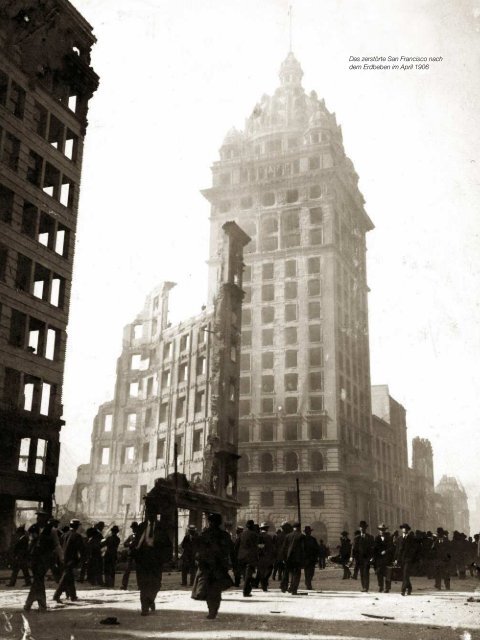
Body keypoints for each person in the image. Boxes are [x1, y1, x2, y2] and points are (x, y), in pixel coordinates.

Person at [191, 512, 234, 619]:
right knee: (216, 589)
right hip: (219, 567)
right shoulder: (224, 535)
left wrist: (199, 560)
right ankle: (213, 610)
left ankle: (211, 610)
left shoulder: (204, 535)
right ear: (219, 523)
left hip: (206, 566)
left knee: (208, 587)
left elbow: (197, 550)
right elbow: (230, 550)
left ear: (210, 522)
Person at [132, 509, 173, 615]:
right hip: (143, 559)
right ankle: (144, 607)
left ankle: (150, 600)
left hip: (156, 560)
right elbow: (136, 542)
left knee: (156, 584)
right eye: (149, 514)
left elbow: (168, 544)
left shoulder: (161, 527)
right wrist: (134, 554)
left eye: (152, 514)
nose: (150, 516)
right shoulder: (141, 527)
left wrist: (166, 558)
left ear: (156, 516)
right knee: (143, 583)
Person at [24, 510, 63, 612]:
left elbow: (57, 545)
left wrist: (61, 557)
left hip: (45, 558)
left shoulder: (52, 530)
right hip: (34, 557)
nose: (38, 519)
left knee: (38, 578)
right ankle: (39, 604)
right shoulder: (33, 528)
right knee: (38, 579)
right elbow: (29, 543)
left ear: (46, 519)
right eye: (38, 517)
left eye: (41, 517)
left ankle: (31, 603)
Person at [53, 519, 84, 603]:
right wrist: (82, 560)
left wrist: (57, 559)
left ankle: (73, 596)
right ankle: (56, 595)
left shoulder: (63, 535)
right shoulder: (77, 536)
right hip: (71, 560)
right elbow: (81, 550)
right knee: (65, 577)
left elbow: (58, 548)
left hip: (62, 560)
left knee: (69, 578)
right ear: (77, 526)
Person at [394, 523, 418, 596]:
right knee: (405, 575)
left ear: (408, 530)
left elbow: (414, 549)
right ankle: (409, 588)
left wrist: (411, 557)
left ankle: (403, 590)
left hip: (408, 559)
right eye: (403, 528)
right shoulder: (399, 538)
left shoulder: (412, 538)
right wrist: (395, 559)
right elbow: (397, 550)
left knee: (405, 574)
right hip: (401, 559)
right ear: (401, 530)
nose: (404, 529)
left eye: (405, 528)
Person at [282, 521, 305, 595]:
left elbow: (284, 548)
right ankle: (294, 590)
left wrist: (284, 558)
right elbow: (303, 548)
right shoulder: (301, 536)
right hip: (298, 558)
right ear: (299, 528)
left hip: (289, 558)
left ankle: (290, 587)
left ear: (293, 528)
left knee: (291, 573)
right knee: (297, 574)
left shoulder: (288, 536)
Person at [351, 521, 375, 592]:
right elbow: (354, 548)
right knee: (362, 573)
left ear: (366, 528)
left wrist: (372, 557)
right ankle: (363, 586)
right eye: (361, 527)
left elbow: (373, 548)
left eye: (364, 527)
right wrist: (352, 557)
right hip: (359, 558)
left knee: (366, 572)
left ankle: (366, 587)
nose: (362, 529)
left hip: (367, 558)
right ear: (359, 528)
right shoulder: (356, 538)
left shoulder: (370, 537)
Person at [237, 519, 258, 597]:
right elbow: (257, 547)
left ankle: (247, 590)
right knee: (248, 575)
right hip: (250, 557)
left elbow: (237, 546)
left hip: (241, 557)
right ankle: (246, 592)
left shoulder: (241, 534)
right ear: (252, 526)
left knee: (245, 575)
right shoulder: (255, 535)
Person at [373, 523, 394, 593]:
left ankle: (387, 588)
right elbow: (375, 548)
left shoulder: (389, 538)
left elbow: (391, 547)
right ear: (379, 531)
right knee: (379, 573)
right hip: (379, 559)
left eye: (383, 530)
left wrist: (386, 551)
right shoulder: (377, 538)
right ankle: (380, 586)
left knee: (388, 573)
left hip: (387, 559)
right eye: (380, 530)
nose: (382, 531)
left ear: (385, 530)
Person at [256, 522, 275, 591]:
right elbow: (272, 548)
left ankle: (263, 584)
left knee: (261, 571)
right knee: (268, 570)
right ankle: (264, 583)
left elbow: (259, 547)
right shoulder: (269, 537)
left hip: (260, 557)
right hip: (268, 556)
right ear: (267, 529)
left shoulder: (259, 536)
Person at [121, 521, 139, 590]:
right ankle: (124, 585)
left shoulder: (140, 536)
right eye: (132, 528)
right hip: (131, 555)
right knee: (127, 571)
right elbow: (125, 544)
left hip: (138, 555)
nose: (133, 529)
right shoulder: (131, 536)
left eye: (134, 528)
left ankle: (140, 585)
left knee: (139, 571)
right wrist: (130, 543)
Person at [303, 525, 319, 590]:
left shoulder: (313, 539)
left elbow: (317, 549)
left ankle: (308, 582)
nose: (308, 533)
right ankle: (308, 584)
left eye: (309, 532)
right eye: (308, 532)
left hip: (311, 558)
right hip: (307, 558)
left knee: (311, 572)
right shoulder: (303, 539)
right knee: (308, 572)